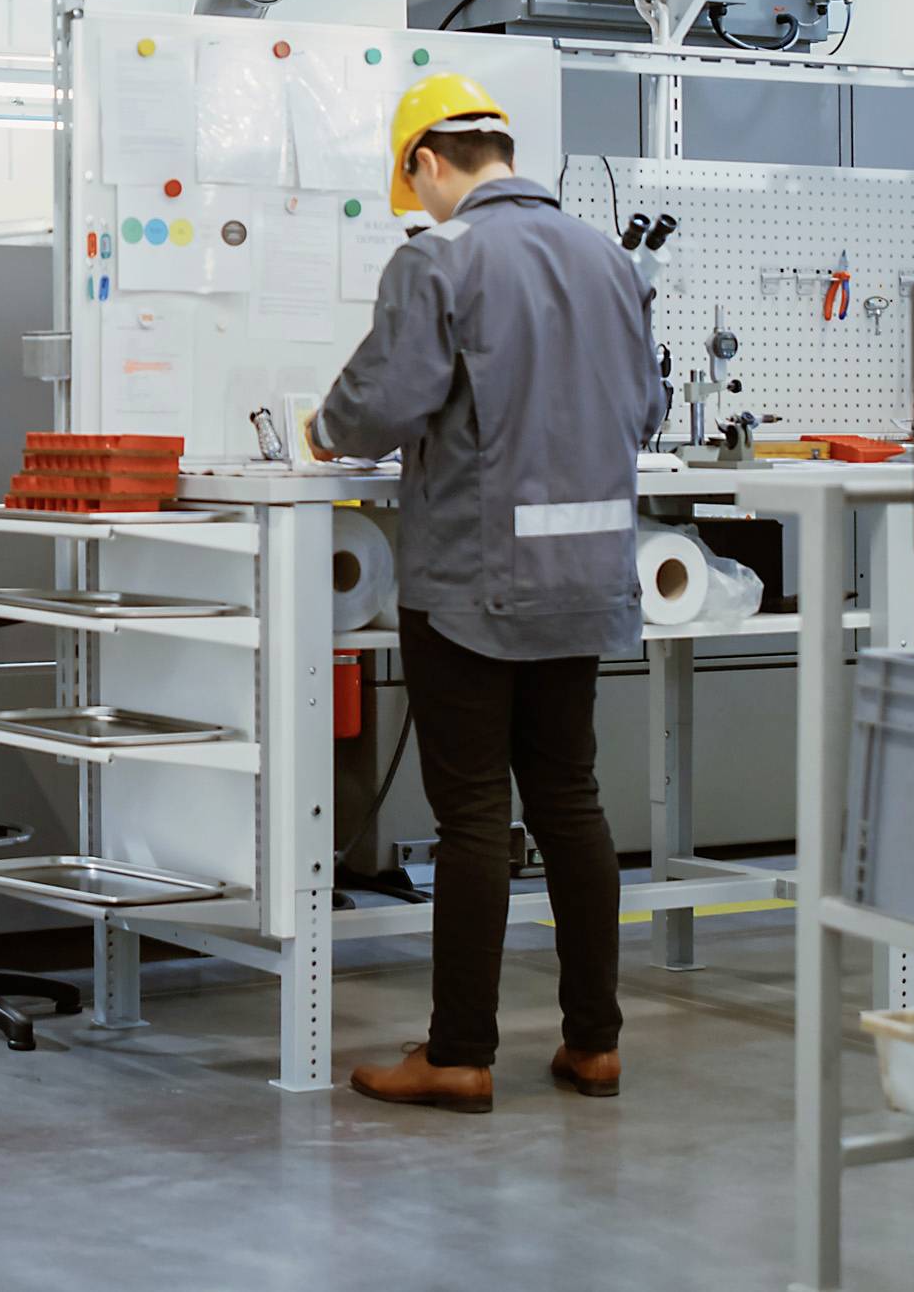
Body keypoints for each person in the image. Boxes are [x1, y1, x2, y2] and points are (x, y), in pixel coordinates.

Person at [309, 71, 666, 1115]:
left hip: (472, 581)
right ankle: (593, 1043)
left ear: (426, 161)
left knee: (470, 814)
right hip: (585, 577)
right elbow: (642, 408)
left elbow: (379, 405)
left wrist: (324, 430)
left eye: (408, 179)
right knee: (569, 801)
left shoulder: (440, 256)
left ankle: (459, 1050)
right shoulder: (607, 256)